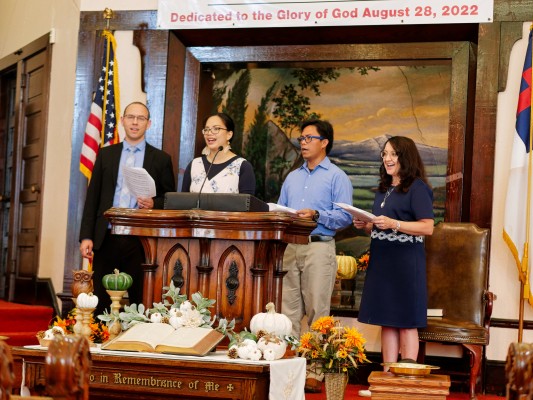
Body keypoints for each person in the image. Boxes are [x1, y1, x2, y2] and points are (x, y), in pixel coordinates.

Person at [354, 136, 434, 396]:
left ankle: (406, 383)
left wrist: (394, 224)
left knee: (406, 321)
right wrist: (366, 225)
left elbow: (427, 227)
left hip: (406, 262)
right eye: (384, 154)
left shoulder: (417, 188)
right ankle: (386, 381)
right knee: (387, 320)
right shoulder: (383, 188)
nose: (387, 159)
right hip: (382, 260)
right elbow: (381, 227)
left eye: (393, 154)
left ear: (405, 157)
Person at [79, 102, 176, 317]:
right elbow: (93, 196)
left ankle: (138, 335)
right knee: (101, 298)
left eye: (141, 118)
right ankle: (101, 335)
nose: (135, 122)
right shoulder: (106, 154)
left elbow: (170, 199)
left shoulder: (161, 159)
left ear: (148, 124)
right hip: (107, 235)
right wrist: (86, 236)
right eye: (130, 117)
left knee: (140, 298)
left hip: (141, 240)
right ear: (122, 121)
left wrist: (154, 203)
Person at [277, 119, 353, 393]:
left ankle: (316, 371)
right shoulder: (292, 177)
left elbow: (346, 216)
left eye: (309, 138)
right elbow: (281, 209)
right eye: (302, 138)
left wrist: (317, 214)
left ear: (325, 142)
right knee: (288, 312)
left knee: (318, 312)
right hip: (290, 247)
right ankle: (290, 367)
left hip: (319, 247)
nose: (304, 142)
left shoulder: (337, 177)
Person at [181, 112, 256, 194]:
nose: (209, 133)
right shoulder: (194, 165)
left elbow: (247, 201)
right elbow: (184, 200)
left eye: (216, 129)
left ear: (229, 135)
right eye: (206, 129)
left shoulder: (242, 166)